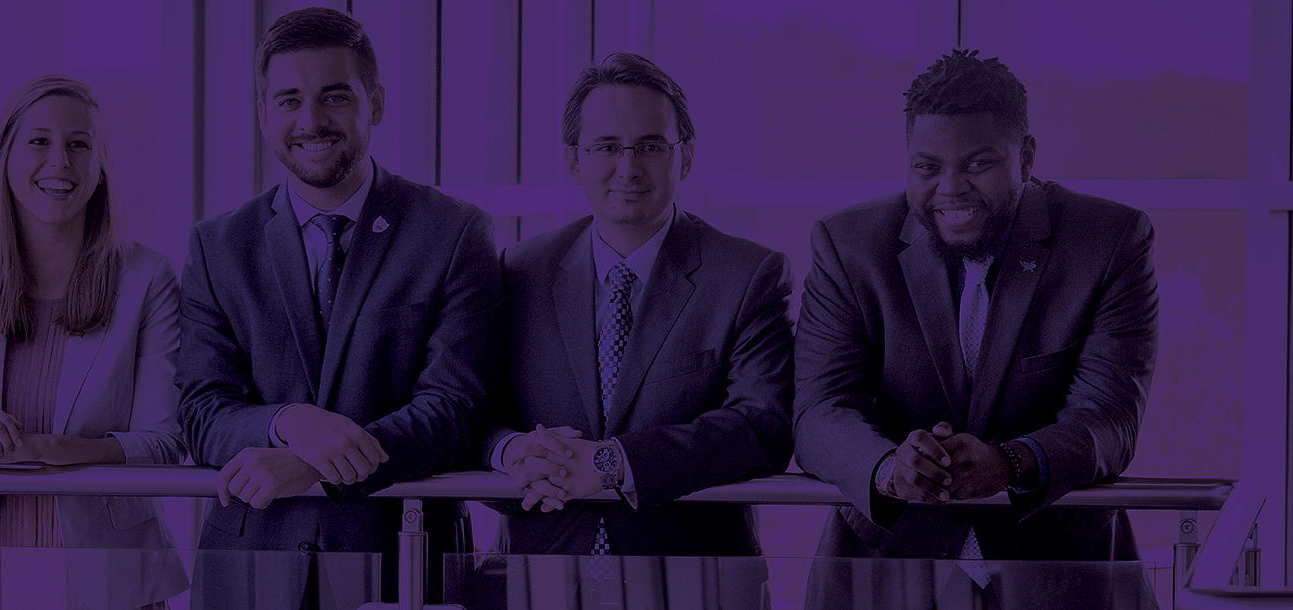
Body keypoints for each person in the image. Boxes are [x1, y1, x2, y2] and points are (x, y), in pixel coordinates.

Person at [793, 49, 1159, 608]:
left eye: (977, 163)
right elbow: (819, 412)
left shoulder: (1110, 241)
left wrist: (1011, 462)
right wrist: (890, 468)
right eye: (927, 167)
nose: (951, 188)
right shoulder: (847, 247)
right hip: (884, 572)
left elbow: (1109, 420)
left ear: (1026, 156)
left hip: (1061, 573)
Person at [176, 6, 501, 607]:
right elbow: (200, 411)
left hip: (403, 559)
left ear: (375, 102)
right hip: (250, 566)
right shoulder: (217, 245)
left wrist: (319, 465)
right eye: (289, 100)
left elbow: (455, 409)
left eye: (334, 96)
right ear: (262, 115)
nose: (311, 120)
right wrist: (286, 423)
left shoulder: (455, 232)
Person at [480, 52, 791, 609]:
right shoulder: (519, 272)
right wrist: (510, 451)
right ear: (574, 160)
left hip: (696, 586)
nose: (628, 168)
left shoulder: (748, 274)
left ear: (686, 157)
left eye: (651, 145)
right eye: (606, 147)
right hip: (541, 581)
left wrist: (610, 462)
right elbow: (475, 408)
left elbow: (761, 426)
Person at [0, 75, 190, 610]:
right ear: (4, 157)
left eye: (79, 144)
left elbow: (164, 445)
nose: (60, 162)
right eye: (39, 141)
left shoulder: (148, 280)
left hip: (112, 581)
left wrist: (50, 451)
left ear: (100, 167)